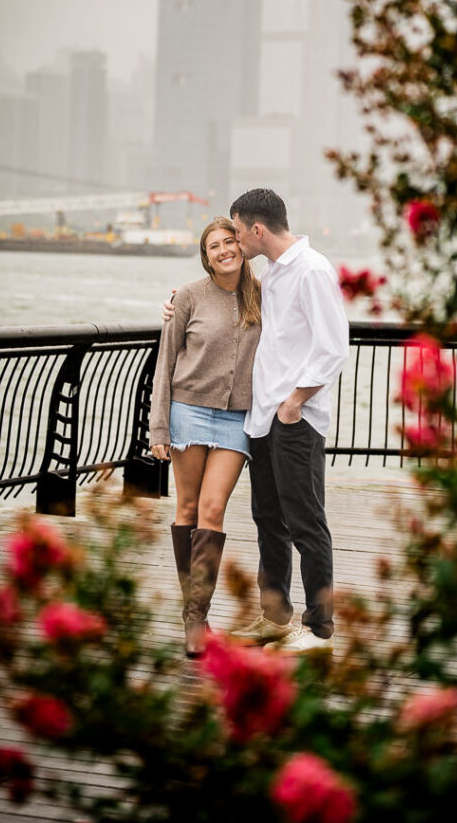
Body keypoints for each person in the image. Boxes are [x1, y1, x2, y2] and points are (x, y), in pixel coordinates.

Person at [162, 189, 349, 654]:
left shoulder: (311, 271)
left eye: (237, 232)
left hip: (293, 417)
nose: (235, 243)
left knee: (305, 520)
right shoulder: (271, 277)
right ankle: (275, 616)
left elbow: (333, 347)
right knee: (269, 518)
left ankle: (319, 627)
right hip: (260, 420)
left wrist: (296, 401)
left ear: (255, 229)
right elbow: (219, 306)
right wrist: (175, 306)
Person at [149, 216, 261, 657]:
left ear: (241, 244)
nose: (223, 250)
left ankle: (196, 612)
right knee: (188, 508)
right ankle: (195, 619)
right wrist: (159, 426)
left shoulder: (262, 295)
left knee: (213, 510)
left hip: (237, 419)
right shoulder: (189, 297)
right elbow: (165, 364)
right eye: (213, 246)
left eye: (229, 241)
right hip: (188, 412)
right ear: (206, 256)